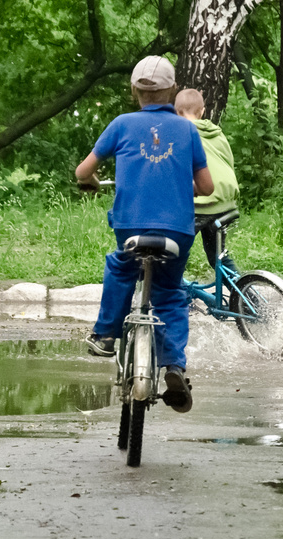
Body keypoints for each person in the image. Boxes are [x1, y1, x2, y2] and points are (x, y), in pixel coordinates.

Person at [75, 56, 214, 414]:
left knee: (122, 267)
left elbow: (83, 171)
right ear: (171, 90)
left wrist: (88, 183)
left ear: (134, 90)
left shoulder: (121, 124)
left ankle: (105, 335)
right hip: (178, 231)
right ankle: (174, 366)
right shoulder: (187, 131)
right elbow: (207, 185)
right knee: (170, 292)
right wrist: (182, 190)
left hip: (131, 227)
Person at [173, 88, 240, 286]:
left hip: (201, 203)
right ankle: (247, 298)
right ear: (202, 111)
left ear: (176, 112)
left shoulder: (179, 134)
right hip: (226, 203)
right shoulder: (217, 134)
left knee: (171, 255)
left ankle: (180, 298)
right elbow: (229, 163)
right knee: (218, 257)